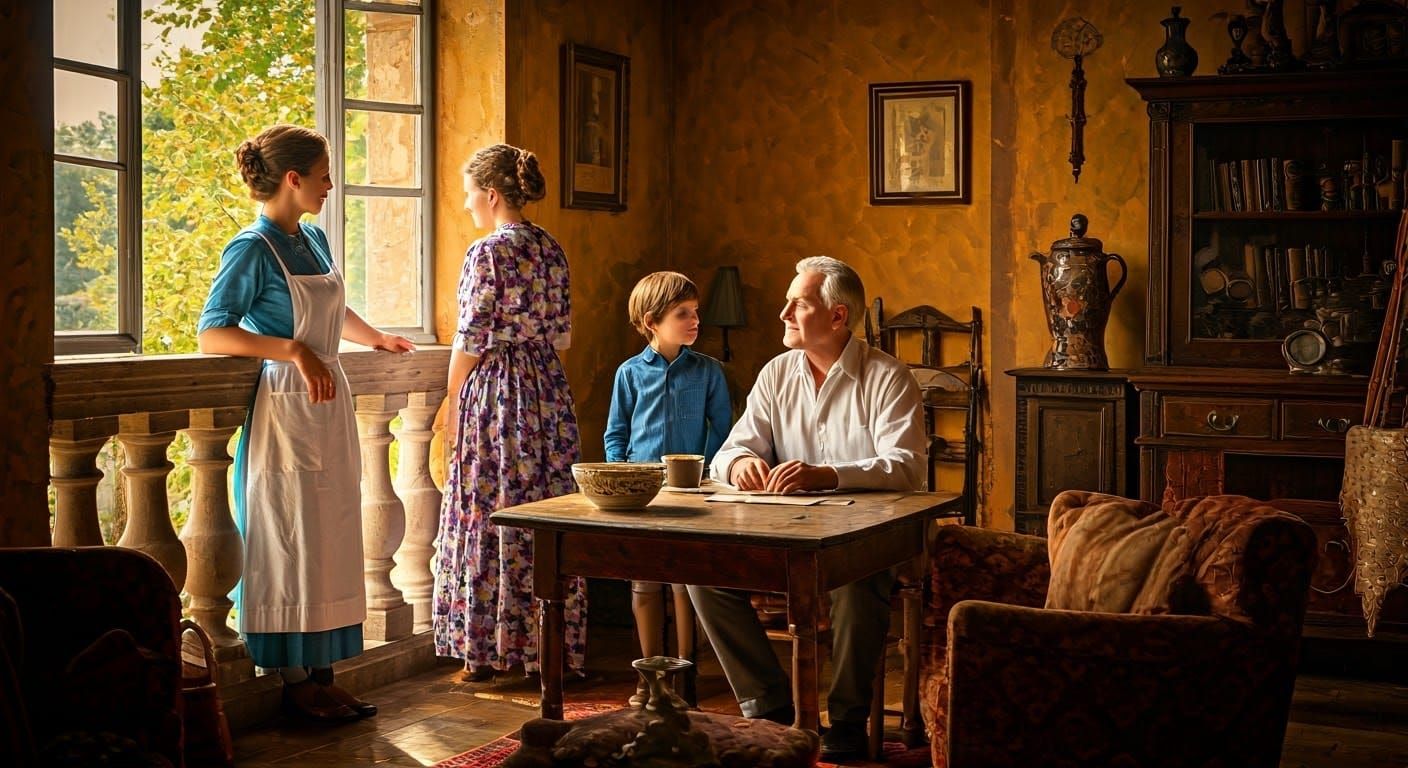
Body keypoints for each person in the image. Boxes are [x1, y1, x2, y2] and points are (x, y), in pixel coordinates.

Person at [197, 124, 416, 722]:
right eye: (322, 174)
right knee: (289, 542)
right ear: (292, 179)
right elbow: (213, 331)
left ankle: (325, 677)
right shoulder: (252, 248)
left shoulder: (312, 238)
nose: (329, 183)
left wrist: (374, 338)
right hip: (285, 410)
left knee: (330, 540)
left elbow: (332, 306)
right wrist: (293, 351)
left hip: (327, 406)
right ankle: (296, 686)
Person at [688, 256, 926, 760]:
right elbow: (729, 451)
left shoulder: (887, 376)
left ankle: (846, 720)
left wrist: (830, 474)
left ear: (837, 316)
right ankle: (770, 710)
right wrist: (741, 465)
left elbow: (906, 467)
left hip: (861, 540)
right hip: (785, 538)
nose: (783, 314)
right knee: (700, 571)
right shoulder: (776, 374)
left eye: (797, 303)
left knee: (862, 583)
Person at [432, 144, 586, 683]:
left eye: (471, 193)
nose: (468, 204)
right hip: (545, 389)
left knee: (488, 506)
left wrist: (452, 401)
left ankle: (490, 649)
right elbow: (561, 335)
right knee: (545, 509)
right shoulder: (552, 249)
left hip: (496, 390)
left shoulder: (487, 252)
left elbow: (471, 337)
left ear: (492, 195)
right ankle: (545, 647)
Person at [604, 271, 732, 705]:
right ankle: (649, 678)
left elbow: (723, 431)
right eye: (683, 314)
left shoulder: (710, 371)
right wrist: (621, 477)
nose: (695, 321)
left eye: (696, 313)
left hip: (693, 495)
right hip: (641, 496)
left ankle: (684, 677)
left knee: (684, 586)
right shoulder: (629, 374)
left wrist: (708, 475)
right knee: (644, 584)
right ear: (651, 321)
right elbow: (615, 435)